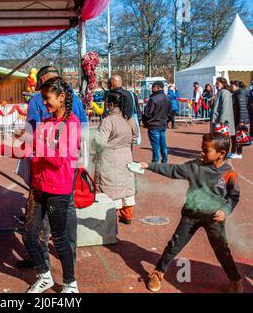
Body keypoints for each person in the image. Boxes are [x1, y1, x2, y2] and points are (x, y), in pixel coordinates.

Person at [0, 77, 81, 293]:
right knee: (29, 236)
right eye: (42, 99)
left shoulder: (72, 124)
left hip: (58, 191)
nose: (44, 104)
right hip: (38, 188)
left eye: (47, 99)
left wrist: (34, 141)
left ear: (61, 98)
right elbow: (24, 151)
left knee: (59, 239)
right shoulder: (46, 123)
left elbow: (59, 160)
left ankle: (70, 282)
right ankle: (45, 275)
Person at [140, 133, 242, 293]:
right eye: (202, 149)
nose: (201, 153)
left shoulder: (229, 173)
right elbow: (172, 170)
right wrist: (149, 166)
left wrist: (225, 211)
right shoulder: (194, 166)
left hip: (214, 219)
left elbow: (234, 196)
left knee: (222, 250)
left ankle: (235, 281)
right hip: (191, 215)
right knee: (174, 244)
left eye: (206, 150)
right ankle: (158, 273)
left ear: (221, 153)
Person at [15, 66, 87, 270]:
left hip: (49, 166)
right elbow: (84, 128)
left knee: (44, 209)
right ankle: (68, 258)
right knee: (67, 208)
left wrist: (33, 142)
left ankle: (43, 258)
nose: (45, 102)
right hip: (69, 163)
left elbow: (32, 132)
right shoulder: (72, 100)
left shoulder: (39, 100)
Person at [93, 93, 139, 225]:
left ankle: (110, 219)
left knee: (110, 189)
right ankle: (127, 215)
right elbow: (135, 137)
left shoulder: (108, 120)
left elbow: (100, 141)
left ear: (111, 104)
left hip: (110, 157)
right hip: (126, 155)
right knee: (127, 187)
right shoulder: (129, 119)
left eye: (107, 103)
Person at [142, 81, 170, 163]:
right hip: (162, 124)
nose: (151, 89)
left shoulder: (153, 99)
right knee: (163, 144)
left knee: (156, 146)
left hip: (154, 125)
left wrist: (145, 122)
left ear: (157, 87)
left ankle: (155, 161)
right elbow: (170, 113)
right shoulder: (167, 98)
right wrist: (166, 121)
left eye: (152, 87)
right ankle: (164, 160)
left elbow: (147, 113)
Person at [211, 77, 235, 150]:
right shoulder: (220, 92)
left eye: (217, 83)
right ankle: (220, 152)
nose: (216, 85)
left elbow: (225, 106)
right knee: (219, 138)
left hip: (222, 120)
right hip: (217, 119)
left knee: (223, 138)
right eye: (216, 83)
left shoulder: (225, 92)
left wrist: (222, 119)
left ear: (223, 83)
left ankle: (224, 153)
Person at [228, 81, 249, 159]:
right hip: (235, 118)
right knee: (234, 136)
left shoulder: (240, 94)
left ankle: (239, 153)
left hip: (239, 119)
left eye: (232, 86)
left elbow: (242, 108)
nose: (231, 87)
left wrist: (241, 121)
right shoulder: (236, 93)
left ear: (237, 86)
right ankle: (233, 151)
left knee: (239, 136)